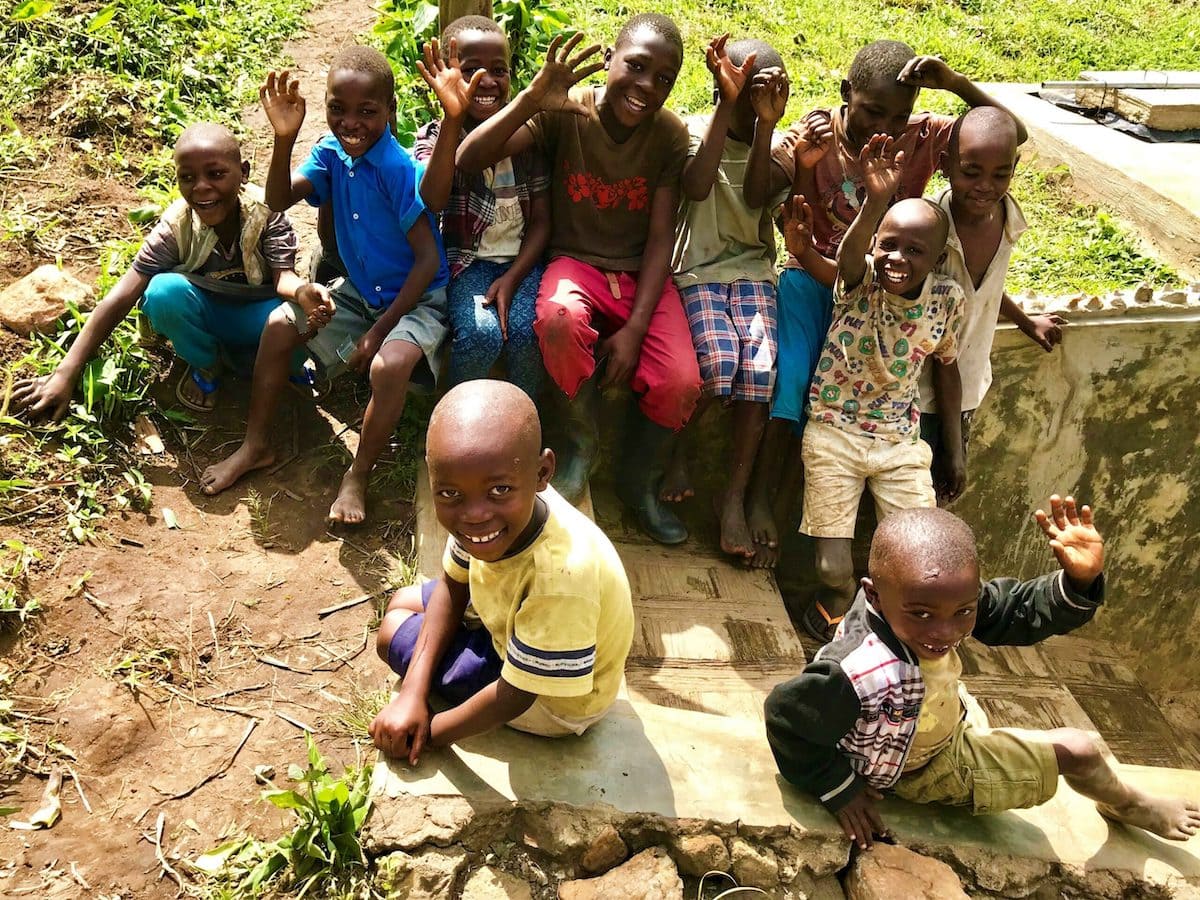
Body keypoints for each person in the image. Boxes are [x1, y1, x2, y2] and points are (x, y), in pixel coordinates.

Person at [765, 498, 1200, 849]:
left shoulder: (930, 599)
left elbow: (1016, 609)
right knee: (1080, 750)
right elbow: (785, 719)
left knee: (963, 687)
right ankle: (1128, 804)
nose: (946, 631)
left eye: (964, 611)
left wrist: (1077, 583)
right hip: (921, 764)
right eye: (921, 614)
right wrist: (839, 787)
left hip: (931, 714)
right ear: (874, 595)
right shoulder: (856, 672)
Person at [743, 40, 1025, 565]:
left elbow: (1010, 135)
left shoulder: (923, 135)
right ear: (847, 93)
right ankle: (761, 501)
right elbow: (757, 191)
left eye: (900, 115)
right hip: (813, 274)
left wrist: (958, 83)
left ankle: (829, 541)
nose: (885, 128)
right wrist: (778, 136)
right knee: (792, 384)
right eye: (874, 111)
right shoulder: (819, 131)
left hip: (884, 292)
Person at [456, 15, 702, 545]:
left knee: (681, 379)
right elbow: (468, 158)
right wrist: (531, 101)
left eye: (664, 78)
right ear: (610, 59)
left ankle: (640, 482)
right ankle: (580, 446)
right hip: (576, 265)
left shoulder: (668, 134)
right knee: (558, 319)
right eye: (635, 66)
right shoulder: (568, 112)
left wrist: (636, 328)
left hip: (640, 278)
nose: (646, 86)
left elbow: (660, 238)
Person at [199, 47, 451, 525]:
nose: (350, 122)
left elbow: (426, 263)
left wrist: (376, 334)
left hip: (416, 300)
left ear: (390, 112)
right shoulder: (330, 154)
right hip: (363, 292)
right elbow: (275, 200)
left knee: (388, 364)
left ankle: (357, 474)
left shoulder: (399, 170)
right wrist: (283, 138)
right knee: (278, 325)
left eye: (367, 111)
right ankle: (255, 445)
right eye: (338, 108)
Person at [370, 380, 634, 760]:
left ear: (542, 472)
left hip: (550, 701)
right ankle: (471, 644)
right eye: (449, 494)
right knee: (402, 601)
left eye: (498, 492)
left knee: (391, 630)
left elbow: (515, 696)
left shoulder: (562, 577)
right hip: (515, 627)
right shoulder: (504, 494)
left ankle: (472, 651)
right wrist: (411, 695)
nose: (474, 515)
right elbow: (453, 584)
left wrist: (429, 733)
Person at [11, 123, 324, 419]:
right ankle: (207, 365)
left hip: (261, 318)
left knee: (297, 313)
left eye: (216, 174)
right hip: (209, 318)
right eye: (187, 178)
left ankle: (285, 367)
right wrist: (67, 372)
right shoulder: (177, 226)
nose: (201, 188)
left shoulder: (266, 212)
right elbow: (121, 296)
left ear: (243, 173)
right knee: (163, 292)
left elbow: (284, 276)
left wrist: (301, 292)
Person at [789, 135, 964, 642]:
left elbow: (946, 368)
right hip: (833, 433)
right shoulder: (859, 280)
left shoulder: (946, 301)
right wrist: (873, 201)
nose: (897, 258)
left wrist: (954, 448)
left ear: (936, 258)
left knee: (925, 557)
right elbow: (843, 263)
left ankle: (890, 632)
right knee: (831, 571)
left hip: (898, 443)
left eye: (914, 250)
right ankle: (836, 605)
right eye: (888, 244)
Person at [665, 36, 789, 562]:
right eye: (742, 83)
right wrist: (726, 102)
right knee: (717, 362)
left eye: (767, 88)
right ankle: (676, 455)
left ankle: (733, 497)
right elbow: (695, 185)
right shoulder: (693, 131)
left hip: (752, 270)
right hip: (696, 269)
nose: (751, 95)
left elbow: (758, 196)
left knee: (761, 372)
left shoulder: (780, 148)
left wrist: (765, 125)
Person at [916, 106, 1065, 500]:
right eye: (971, 172)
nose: (985, 186)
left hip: (967, 390)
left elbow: (984, 291)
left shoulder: (1006, 216)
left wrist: (1024, 321)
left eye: (1001, 175)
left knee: (941, 499)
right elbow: (936, 351)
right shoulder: (928, 229)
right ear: (945, 165)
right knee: (910, 504)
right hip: (916, 395)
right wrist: (955, 448)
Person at [413, 17, 550, 399]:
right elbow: (433, 199)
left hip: (523, 262)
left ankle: (524, 427)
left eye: (498, 70)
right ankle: (454, 422)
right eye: (470, 70)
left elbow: (542, 223)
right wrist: (453, 118)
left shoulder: (528, 138)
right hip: (467, 264)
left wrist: (513, 277)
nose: (486, 81)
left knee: (526, 334)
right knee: (480, 334)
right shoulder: (435, 137)